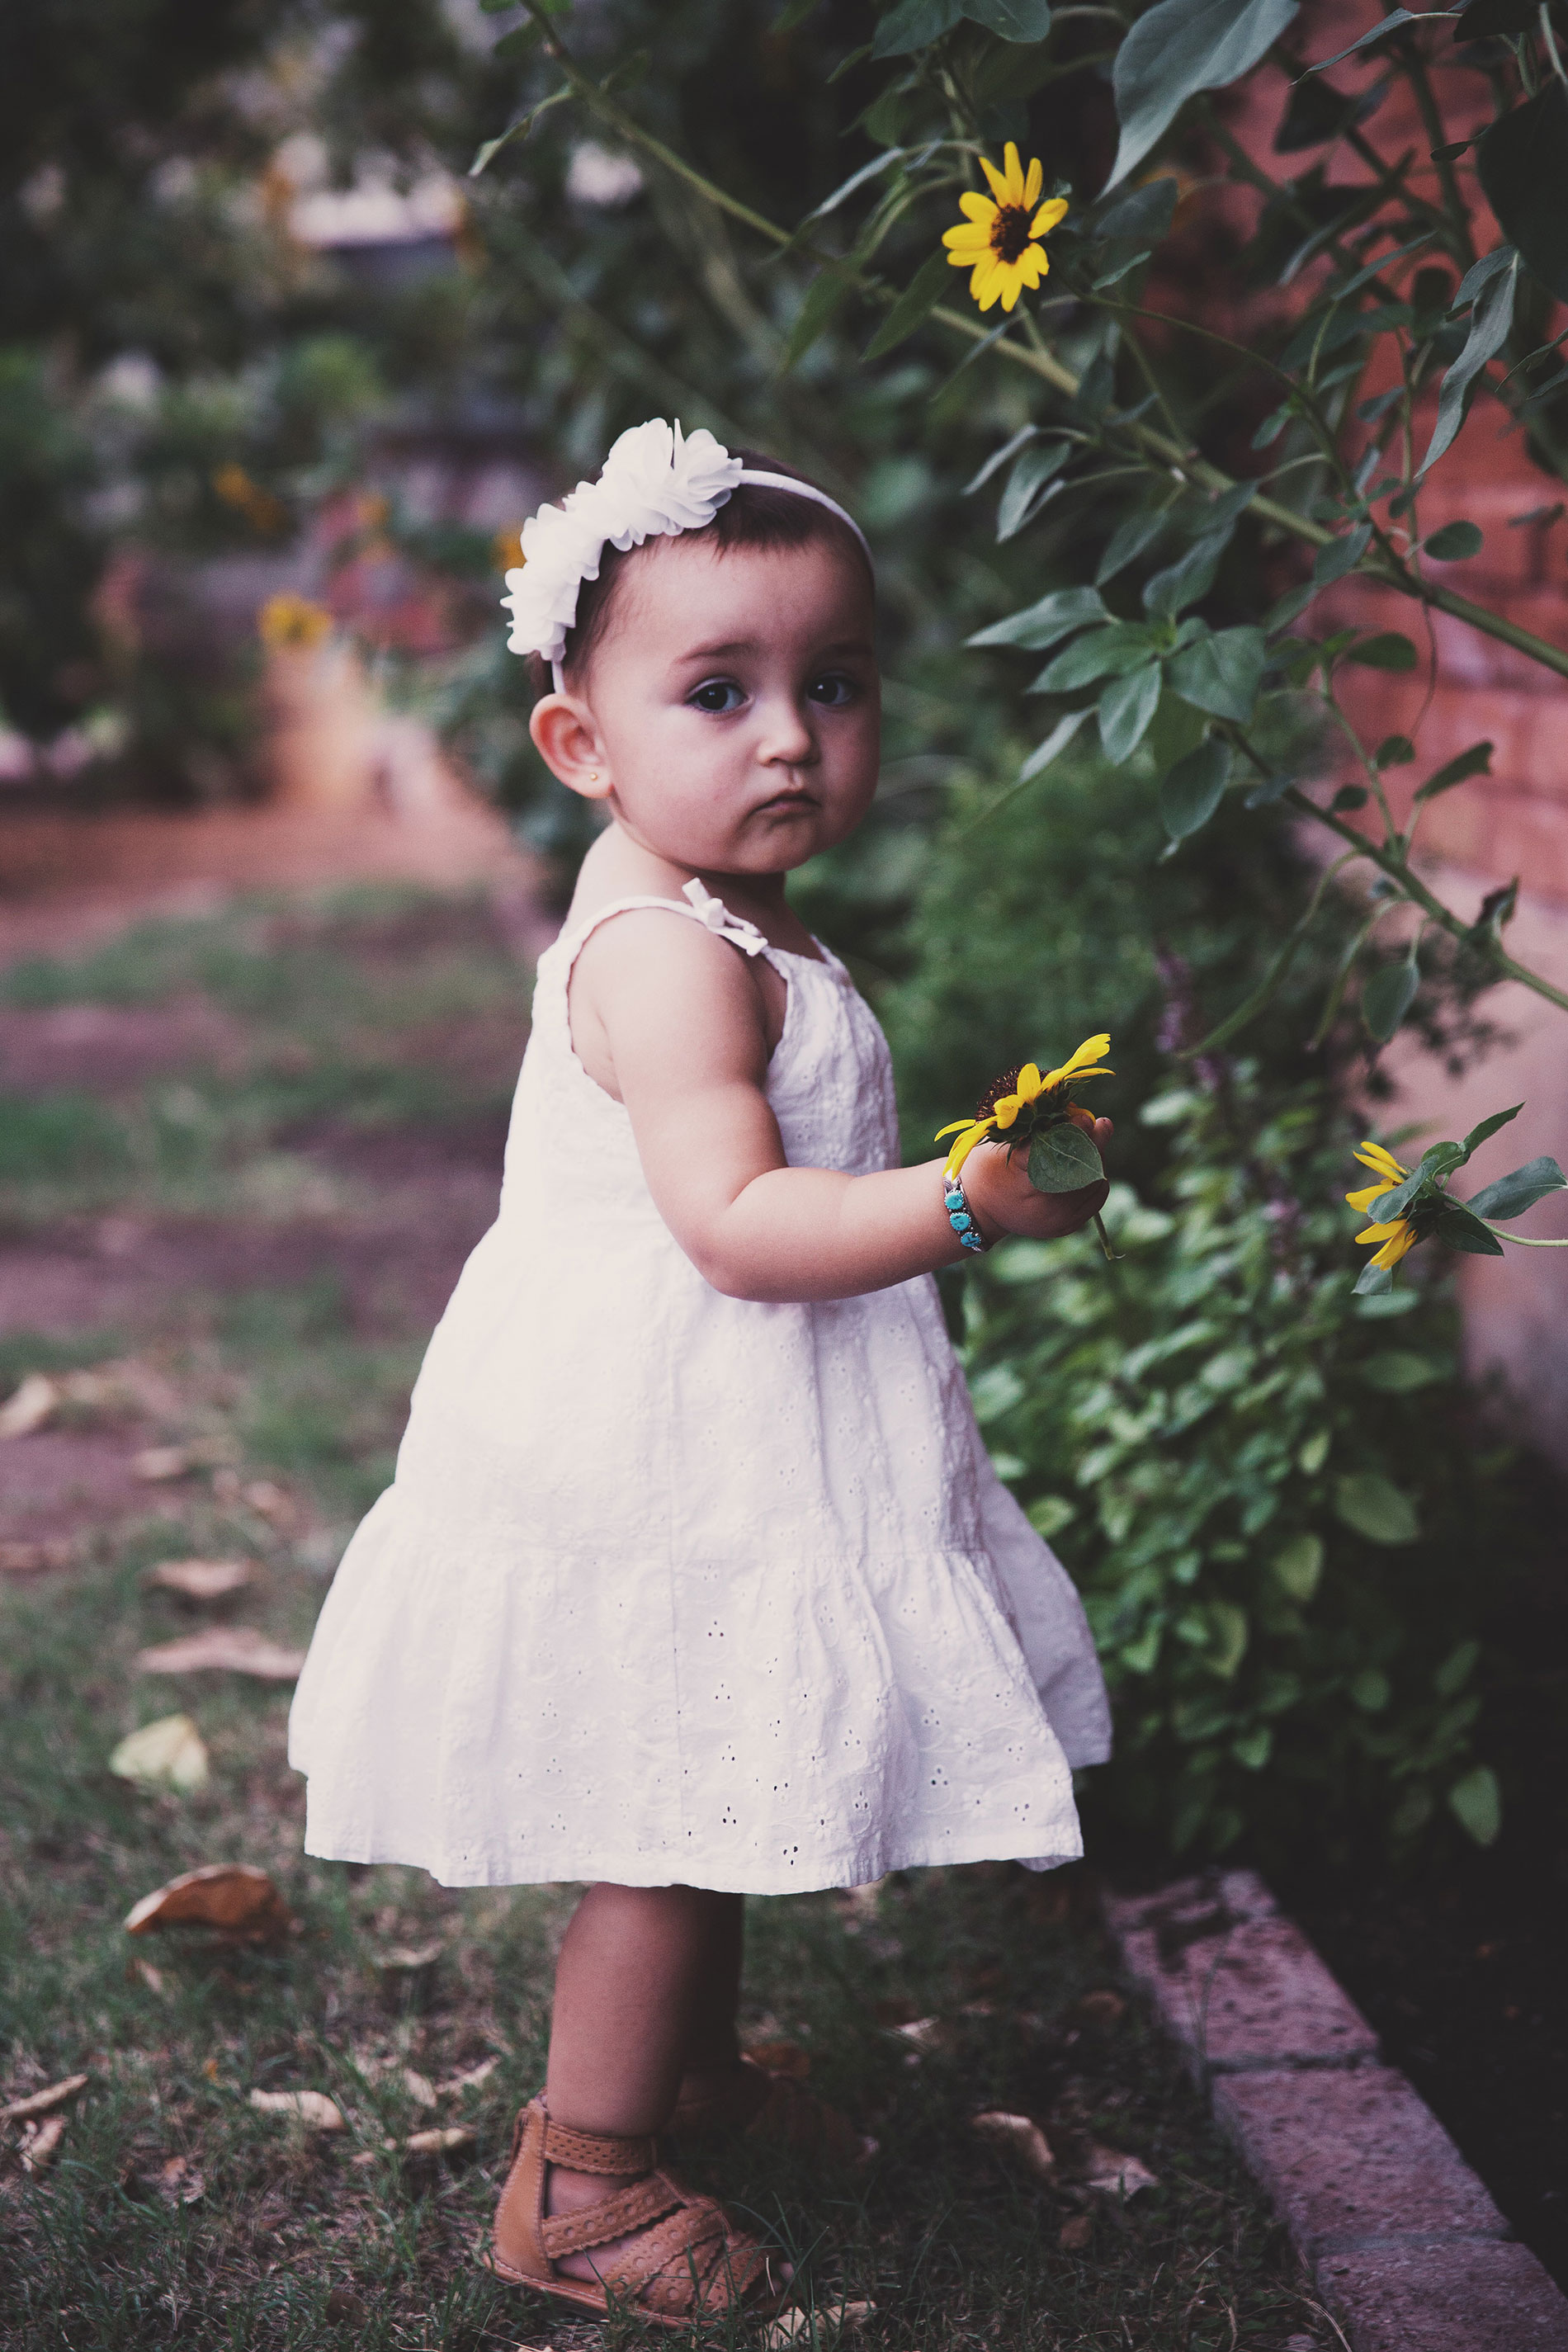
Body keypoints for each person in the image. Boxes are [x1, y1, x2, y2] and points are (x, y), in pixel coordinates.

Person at [288, 419, 1112, 2331]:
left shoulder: (726, 908)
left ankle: (688, 2085)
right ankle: (581, 2179)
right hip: (657, 1445)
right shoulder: (664, 954)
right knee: (663, 1819)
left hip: (723, 1430)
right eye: (719, 692)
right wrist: (961, 1205)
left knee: (715, 1760)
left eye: (834, 685)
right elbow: (737, 1223)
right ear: (579, 742)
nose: (789, 738)